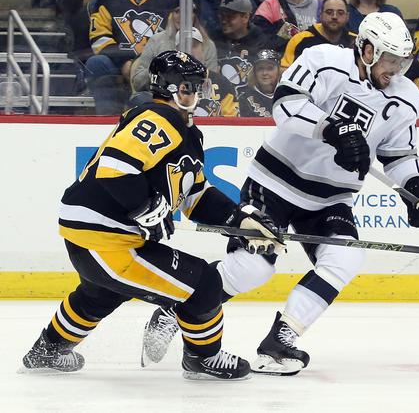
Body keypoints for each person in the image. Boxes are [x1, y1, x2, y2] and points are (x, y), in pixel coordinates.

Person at [141, 12, 419, 376]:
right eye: (390, 60)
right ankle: (179, 306)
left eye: (402, 62)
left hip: (331, 199)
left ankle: (280, 341)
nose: (396, 70)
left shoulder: (406, 95)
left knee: (344, 259)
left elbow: (399, 156)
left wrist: (417, 190)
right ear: (367, 49)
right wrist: (331, 129)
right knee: (254, 267)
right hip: (273, 182)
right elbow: (285, 105)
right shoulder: (324, 60)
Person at [19, 50, 284, 380]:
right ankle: (203, 357)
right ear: (174, 89)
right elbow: (114, 166)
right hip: (107, 239)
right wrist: (146, 206)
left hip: (98, 236)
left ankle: (47, 351)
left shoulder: (186, 131)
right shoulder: (159, 118)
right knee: (203, 285)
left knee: (100, 295)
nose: (199, 94)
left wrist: (240, 218)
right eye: (191, 87)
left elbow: (195, 197)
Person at [86, 0, 179, 114]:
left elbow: (175, 37)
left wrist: (143, 65)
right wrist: (125, 62)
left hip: (157, 67)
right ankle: (108, 118)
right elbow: (99, 39)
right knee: (96, 63)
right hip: (118, 65)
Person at [131, 5, 218, 92]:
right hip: (159, 98)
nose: (181, 17)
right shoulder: (156, 41)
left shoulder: (208, 45)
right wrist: (157, 69)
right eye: (177, 11)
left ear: (195, 15)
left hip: (195, 99)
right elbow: (137, 83)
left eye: (186, 12)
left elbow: (214, 85)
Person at [280, 0, 355, 69]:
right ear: (321, 15)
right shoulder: (299, 40)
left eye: (340, 13)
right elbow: (285, 71)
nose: (334, 16)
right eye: (329, 12)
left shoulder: (356, 41)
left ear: (347, 16)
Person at [215, 0, 270, 93]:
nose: (224, 21)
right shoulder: (214, 37)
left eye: (230, 17)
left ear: (245, 17)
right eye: (222, 16)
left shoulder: (260, 42)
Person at [237, 48, 281, 116]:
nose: (265, 73)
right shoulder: (245, 98)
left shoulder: (288, 94)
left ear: (278, 71)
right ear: (254, 72)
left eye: (270, 68)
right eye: (260, 68)